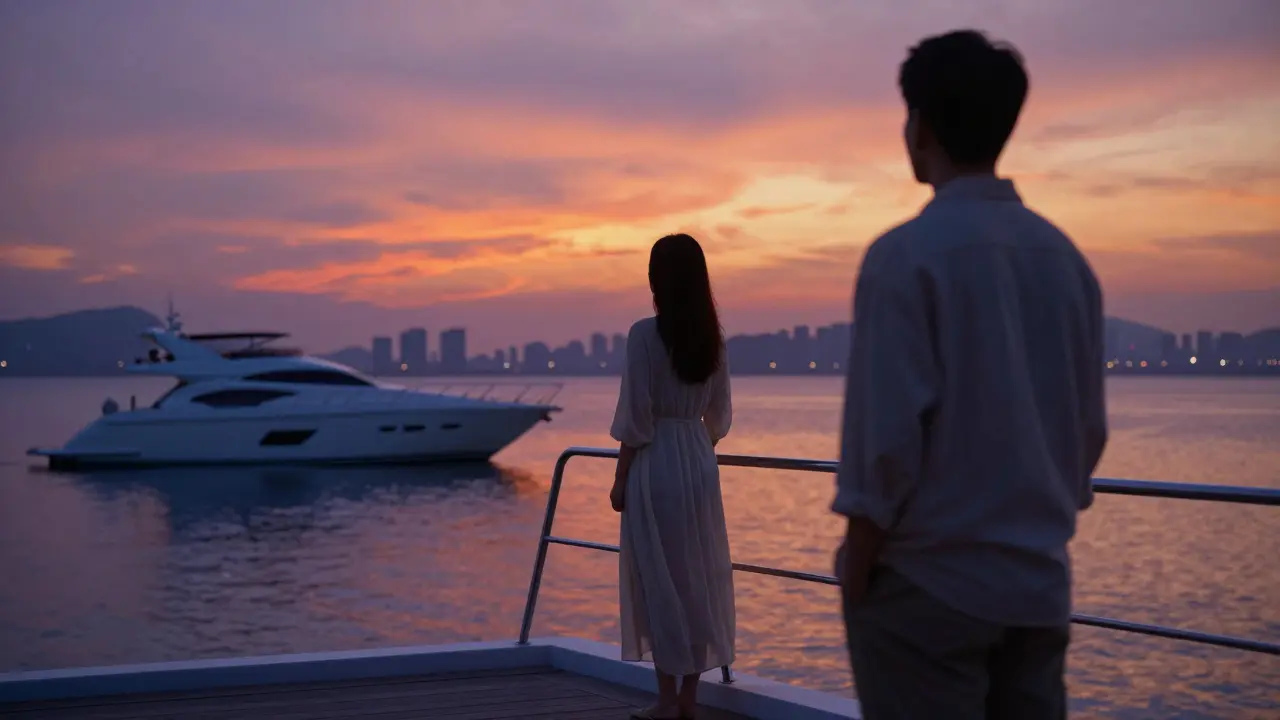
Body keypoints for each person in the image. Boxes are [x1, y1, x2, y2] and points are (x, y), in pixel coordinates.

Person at [833, 30, 1108, 719]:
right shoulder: (1065, 260)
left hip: (927, 587)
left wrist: (856, 565)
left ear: (922, 126)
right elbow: (1087, 431)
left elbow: (884, 440)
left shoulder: (904, 257)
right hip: (1037, 589)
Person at [609, 233, 735, 720]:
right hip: (698, 463)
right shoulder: (713, 340)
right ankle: (688, 700)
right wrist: (696, 448)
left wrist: (620, 480)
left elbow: (635, 418)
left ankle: (665, 700)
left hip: (655, 463)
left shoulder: (644, 335)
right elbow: (719, 416)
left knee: (658, 580)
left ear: (656, 280)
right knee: (697, 578)